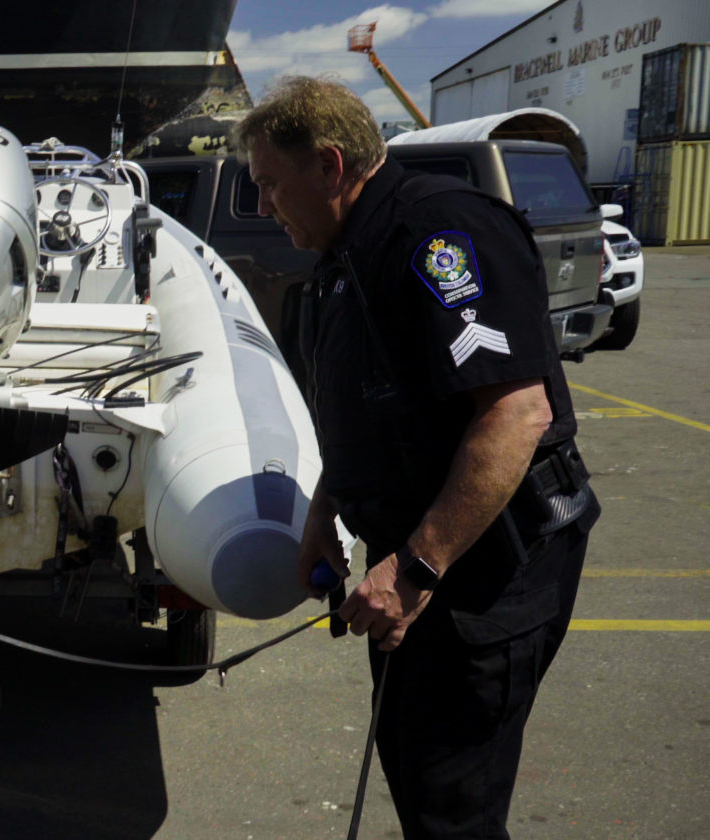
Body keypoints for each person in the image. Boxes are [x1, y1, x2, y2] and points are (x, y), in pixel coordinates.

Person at [232, 77, 598, 839]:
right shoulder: (347, 257)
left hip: (485, 569)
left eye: (269, 184)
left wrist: (413, 570)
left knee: (450, 805)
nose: (263, 205)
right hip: (421, 557)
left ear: (329, 167)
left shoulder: (440, 237)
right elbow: (364, 412)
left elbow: (512, 414)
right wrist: (322, 520)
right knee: (411, 763)